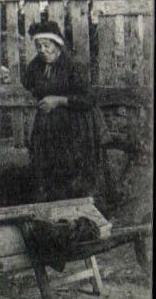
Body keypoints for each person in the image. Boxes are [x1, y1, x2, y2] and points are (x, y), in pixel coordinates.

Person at [24, 20, 103, 201]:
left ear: (58, 45)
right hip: (47, 126)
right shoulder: (37, 65)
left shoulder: (73, 66)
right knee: (46, 170)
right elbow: (28, 83)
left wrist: (59, 100)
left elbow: (89, 99)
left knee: (71, 170)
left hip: (73, 126)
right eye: (38, 46)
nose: (43, 50)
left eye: (47, 45)